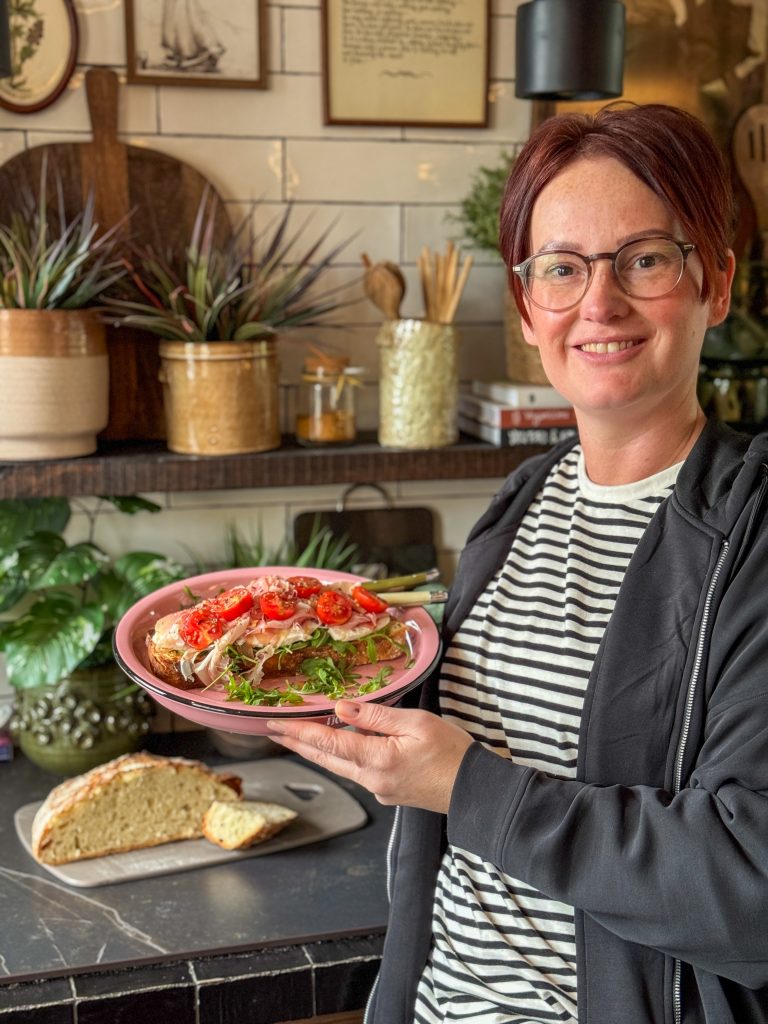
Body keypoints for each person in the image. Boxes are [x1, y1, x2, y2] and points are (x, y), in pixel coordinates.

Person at [266, 103, 768, 1023]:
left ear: (718, 284)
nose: (600, 303)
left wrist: (467, 785)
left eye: (646, 258)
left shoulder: (751, 533)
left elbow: (750, 887)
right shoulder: (521, 502)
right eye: (562, 269)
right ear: (530, 308)